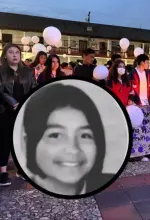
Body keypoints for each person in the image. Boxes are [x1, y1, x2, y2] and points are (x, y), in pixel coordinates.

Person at [21, 83, 114, 195]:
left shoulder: (110, 184)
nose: (73, 149)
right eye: (55, 135)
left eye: (85, 135)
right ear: (28, 143)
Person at [0, 43, 36, 186]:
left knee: (22, 140)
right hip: (4, 111)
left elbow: (34, 87)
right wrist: (14, 104)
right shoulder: (1, 71)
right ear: (5, 55)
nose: (15, 55)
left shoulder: (28, 71)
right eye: (11, 52)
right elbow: (1, 92)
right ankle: (3, 172)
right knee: (4, 141)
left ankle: (21, 169)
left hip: (24, 110)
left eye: (17, 52)